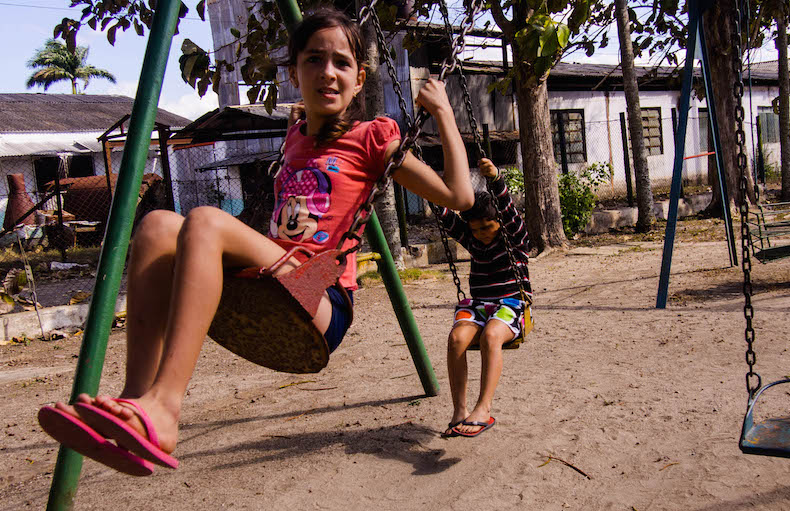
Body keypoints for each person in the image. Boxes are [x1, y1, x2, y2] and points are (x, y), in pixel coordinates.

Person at [37, 8, 475, 476]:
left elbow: (459, 196)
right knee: (156, 227)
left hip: (320, 298)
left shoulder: (373, 138)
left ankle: (166, 406)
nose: (328, 72)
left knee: (205, 220)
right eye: (313, 60)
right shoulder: (295, 136)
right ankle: (135, 401)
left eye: (342, 63)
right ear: (294, 72)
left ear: (359, 76)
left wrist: (443, 114)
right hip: (271, 279)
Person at [438, 158, 531, 438]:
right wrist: (423, 180)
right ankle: (459, 409)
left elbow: (509, 211)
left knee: (492, 336)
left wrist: (495, 179)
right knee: (456, 339)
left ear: (498, 224)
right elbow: (444, 214)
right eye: (476, 230)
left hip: (511, 304)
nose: (482, 235)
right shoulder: (473, 239)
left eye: (487, 228)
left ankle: (483, 408)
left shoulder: (515, 238)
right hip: (478, 307)